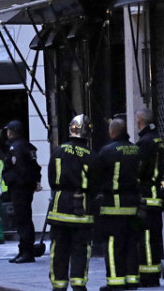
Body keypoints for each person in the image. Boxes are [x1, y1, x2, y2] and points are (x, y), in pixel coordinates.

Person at [93, 117, 142, 291]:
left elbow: (96, 176)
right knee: (131, 244)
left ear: (112, 132)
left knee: (113, 245)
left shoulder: (107, 151)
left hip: (113, 206)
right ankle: (132, 280)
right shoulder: (136, 150)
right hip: (133, 205)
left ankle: (116, 282)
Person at [48, 115, 94, 291]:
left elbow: (52, 179)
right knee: (80, 250)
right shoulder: (91, 155)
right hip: (82, 209)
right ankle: (78, 285)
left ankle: (58, 286)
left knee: (58, 250)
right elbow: (95, 183)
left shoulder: (58, 151)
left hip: (59, 207)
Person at [3, 119, 42, 263]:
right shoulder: (27, 146)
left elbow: (20, 169)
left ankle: (26, 252)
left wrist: (18, 182)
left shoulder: (16, 148)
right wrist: (35, 182)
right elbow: (35, 167)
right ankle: (24, 250)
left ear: (11, 132)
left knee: (22, 220)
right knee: (24, 219)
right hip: (25, 187)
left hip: (20, 188)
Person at [135, 109, 164, 288]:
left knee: (146, 239)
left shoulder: (144, 143)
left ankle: (148, 276)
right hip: (156, 195)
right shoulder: (157, 139)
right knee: (154, 239)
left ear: (140, 121)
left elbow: (139, 170)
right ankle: (153, 274)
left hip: (146, 196)